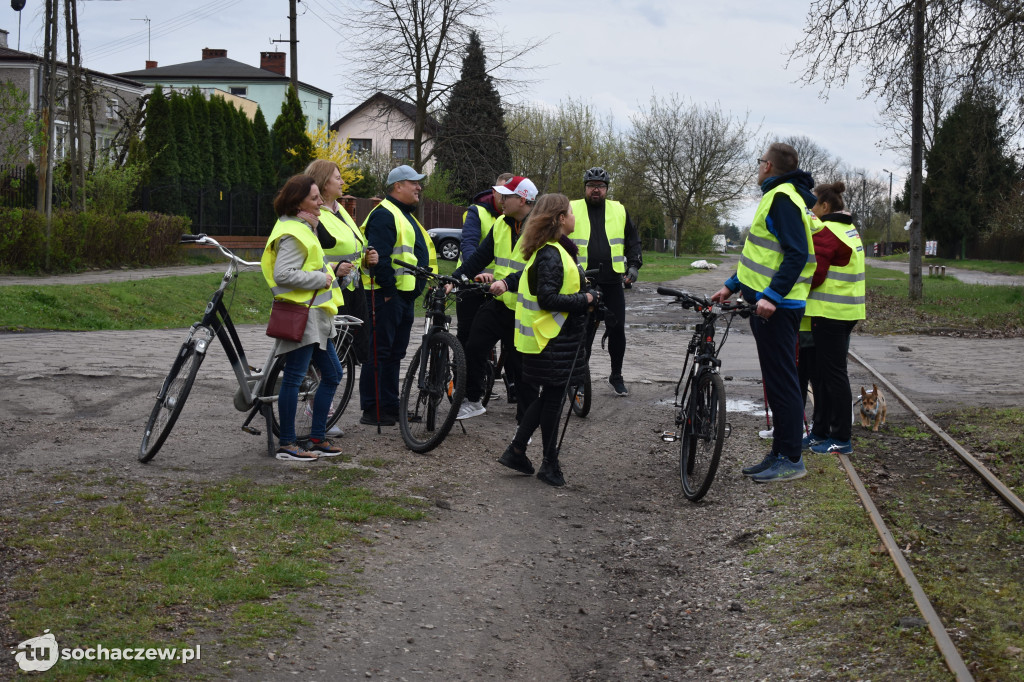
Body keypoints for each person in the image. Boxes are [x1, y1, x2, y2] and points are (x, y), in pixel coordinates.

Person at [711, 142, 818, 483]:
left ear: (769, 165)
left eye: (760, 162)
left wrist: (772, 295)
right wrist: (732, 284)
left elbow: (796, 254)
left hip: (777, 308)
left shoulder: (783, 198)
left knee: (783, 382)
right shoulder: (777, 196)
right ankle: (779, 453)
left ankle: (790, 458)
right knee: (776, 380)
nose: (758, 167)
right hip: (765, 305)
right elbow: (760, 257)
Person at [497, 193, 595, 487]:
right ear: (561, 219)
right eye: (571, 213)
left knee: (548, 399)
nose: (575, 217)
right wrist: (586, 298)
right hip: (550, 338)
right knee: (551, 402)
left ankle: (520, 451)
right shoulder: (552, 253)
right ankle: (545, 462)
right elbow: (548, 297)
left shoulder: (553, 250)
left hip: (551, 338)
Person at [260, 174, 345, 461]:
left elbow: (306, 266)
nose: (321, 201)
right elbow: (283, 274)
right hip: (302, 316)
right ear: (298, 204)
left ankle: (317, 438)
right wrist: (321, 277)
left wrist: (329, 270)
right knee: (295, 378)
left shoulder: (303, 227)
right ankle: (287, 443)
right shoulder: (293, 232)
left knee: (333, 374)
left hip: (316, 316)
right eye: (314, 198)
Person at [451, 176, 539, 422]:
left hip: (526, 309)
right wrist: (454, 278)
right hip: (500, 303)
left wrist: (508, 282)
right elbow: (478, 257)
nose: (500, 199)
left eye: (506, 196)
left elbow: (539, 268)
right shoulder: (502, 222)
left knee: (521, 364)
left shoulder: (541, 227)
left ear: (521, 200)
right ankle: (473, 399)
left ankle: (527, 420)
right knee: (474, 345)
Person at [304, 159, 379, 437]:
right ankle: (318, 410)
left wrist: (368, 258)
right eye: (337, 178)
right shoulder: (315, 213)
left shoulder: (341, 211)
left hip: (350, 289)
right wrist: (334, 269)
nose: (342, 182)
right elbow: (313, 254)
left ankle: (325, 406)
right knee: (325, 352)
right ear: (323, 182)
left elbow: (355, 245)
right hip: (325, 291)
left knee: (344, 352)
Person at [358, 165, 436, 427]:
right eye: (413, 182)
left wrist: (413, 290)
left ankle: (390, 407)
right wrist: (390, 292)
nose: (419, 187)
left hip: (402, 297)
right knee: (380, 353)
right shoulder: (384, 214)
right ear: (397, 186)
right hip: (386, 296)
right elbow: (378, 257)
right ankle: (373, 409)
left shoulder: (404, 215)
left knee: (394, 354)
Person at [802, 181, 865, 456]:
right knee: (823, 376)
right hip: (844, 311)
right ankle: (820, 432)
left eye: (812, 204)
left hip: (830, 312)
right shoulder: (848, 229)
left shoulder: (826, 231)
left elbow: (816, 275)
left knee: (833, 376)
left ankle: (840, 438)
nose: (809, 210)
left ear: (825, 206)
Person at [568, 167, 643, 397]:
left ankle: (616, 376)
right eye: (591, 186)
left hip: (612, 282)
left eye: (600, 186)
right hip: (582, 281)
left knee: (617, 329)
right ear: (585, 188)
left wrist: (634, 264)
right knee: (583, 333)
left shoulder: (619, 210)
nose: (595, 190)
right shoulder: (571, 208)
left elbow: (633, 241)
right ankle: (580, 378)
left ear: (607, 189)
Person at [456, 172, 513, 400]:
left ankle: (512, 382)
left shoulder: (516, 218)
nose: (502, 198)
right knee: (468, 337)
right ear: (493, 191)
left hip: (502, 286)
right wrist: (478, 273)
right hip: (473, 282)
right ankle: (465, 385)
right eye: (499, 192)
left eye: (508, 194)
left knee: (509, 339)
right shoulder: (477, 211)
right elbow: (469, 244)